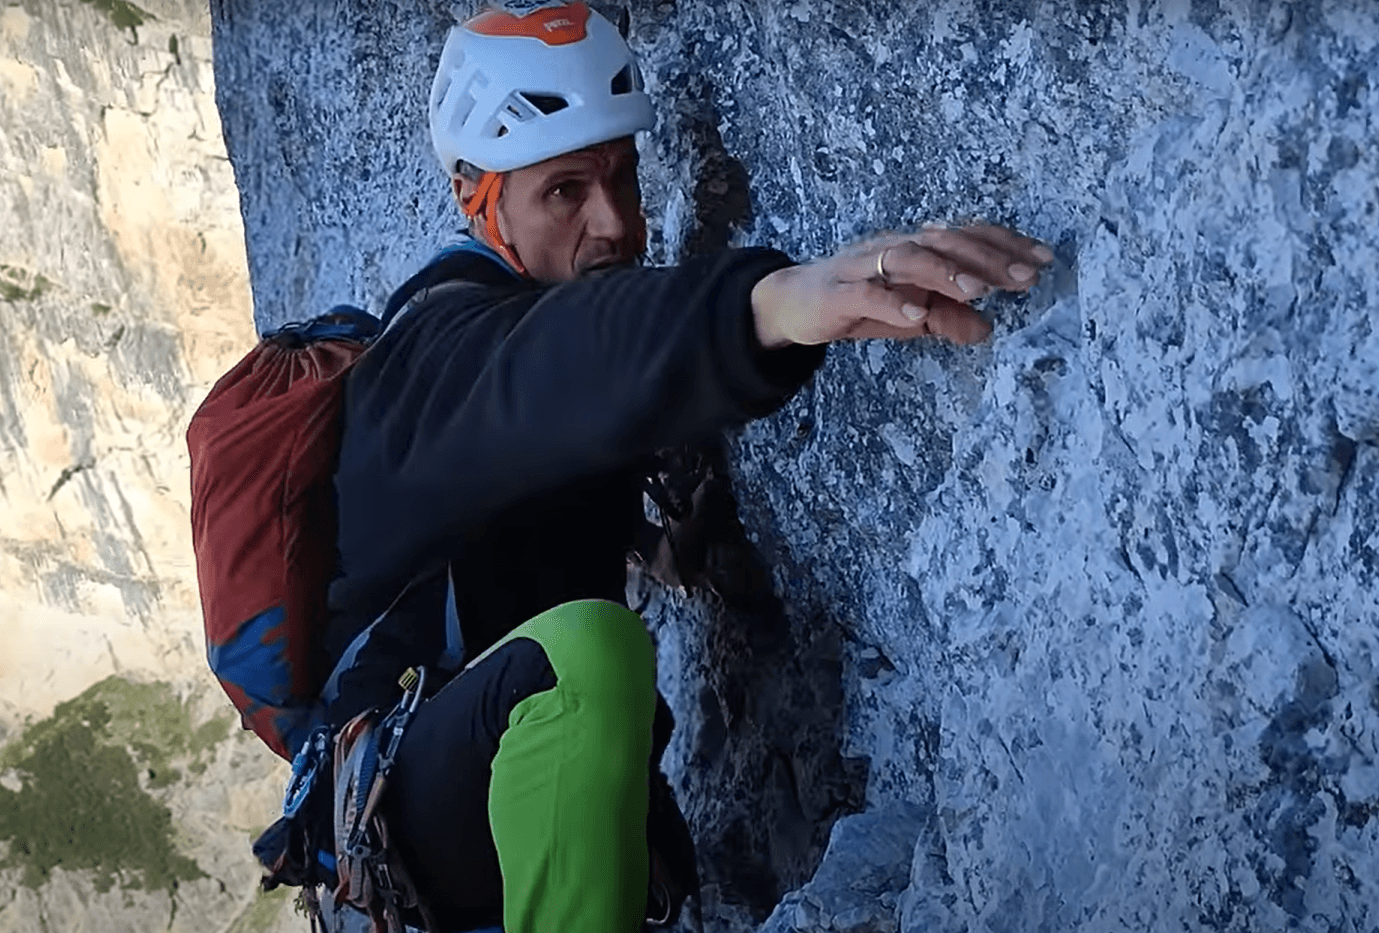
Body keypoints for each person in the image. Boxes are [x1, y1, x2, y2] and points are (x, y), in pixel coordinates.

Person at [318, 3, 1054, 931]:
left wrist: (656, 551)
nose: (617, 223)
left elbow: (544, 452)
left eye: (623, 177)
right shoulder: (432, 352)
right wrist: (771, 304)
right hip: (404, 805)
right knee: (584, 657)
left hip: (494, 784)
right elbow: (556, 367)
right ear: (478, 199)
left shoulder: (531, 330)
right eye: (564, 192)